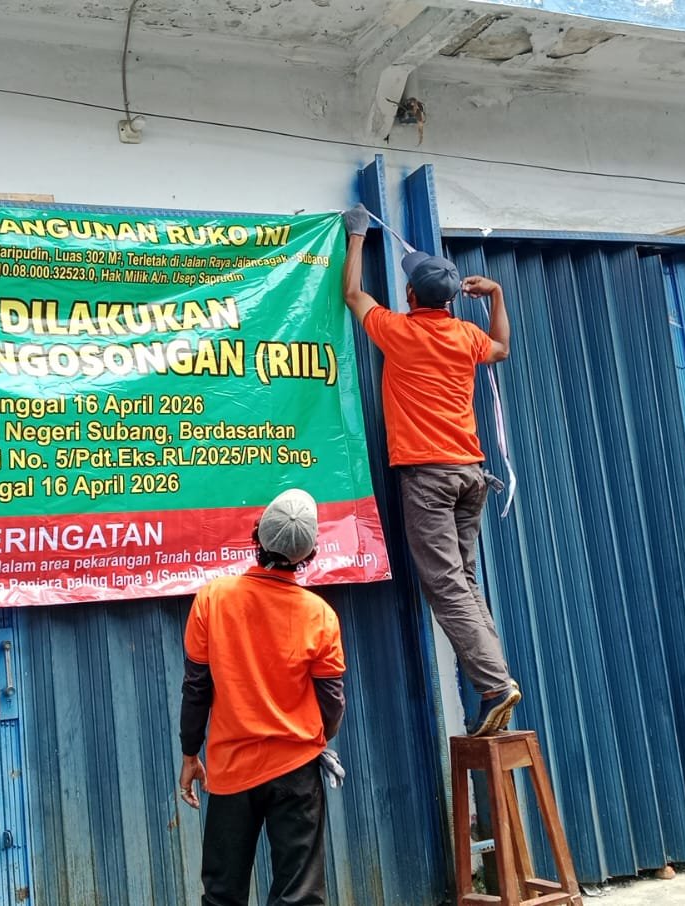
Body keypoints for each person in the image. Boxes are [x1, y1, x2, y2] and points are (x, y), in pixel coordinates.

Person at [338, 203, 519, 736]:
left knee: (446, 586)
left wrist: (355, 235)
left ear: (412, 296)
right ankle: (498, 681)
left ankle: (495, 685)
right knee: (463, 581)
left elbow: (352, 294)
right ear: (450, 299)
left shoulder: (399, 331)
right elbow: (502, 348)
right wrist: (498, 295)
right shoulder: (465, 336)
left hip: (430, 478)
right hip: (470, 474)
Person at [178, 489, 346, 906]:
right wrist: (316, 740)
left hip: (232, 768)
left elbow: (196, 688)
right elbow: (332, 703)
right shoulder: (320, 615)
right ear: (310, 554)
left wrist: (190, 754)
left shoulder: (213, 600)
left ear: (257, 535)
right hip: (297, 770)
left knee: (222, 895)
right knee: (298, 896)